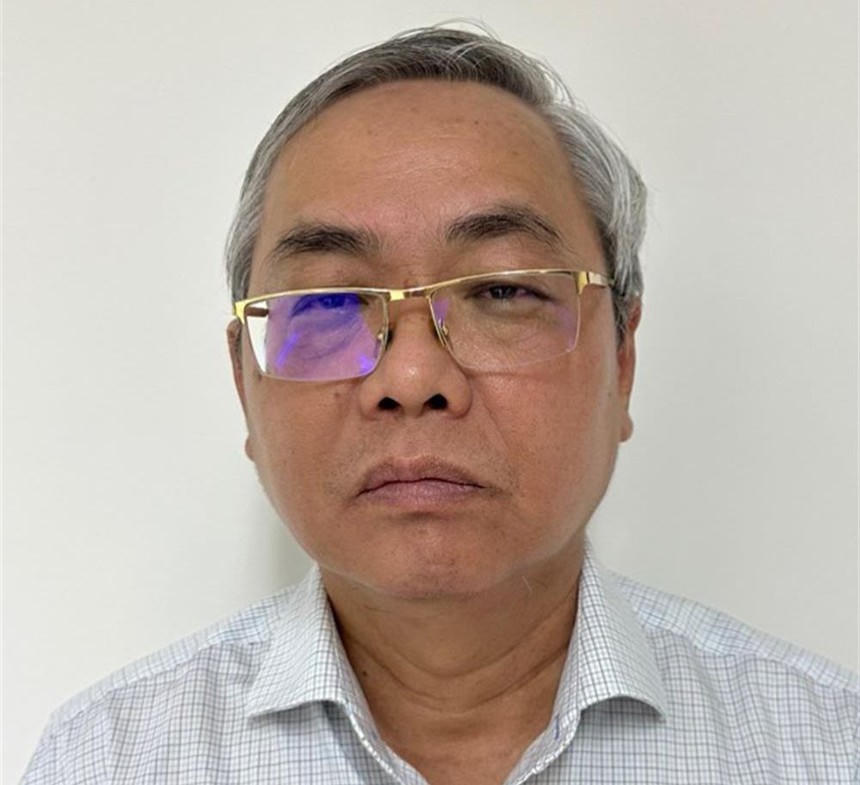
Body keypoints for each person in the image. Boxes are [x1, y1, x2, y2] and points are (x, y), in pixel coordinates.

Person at [22, 25, 858, 785]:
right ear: (247, 383)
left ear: (623, 361)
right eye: (330, 301)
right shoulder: (104, 760)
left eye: (502, 289)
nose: (413, 374)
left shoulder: (827, 747)